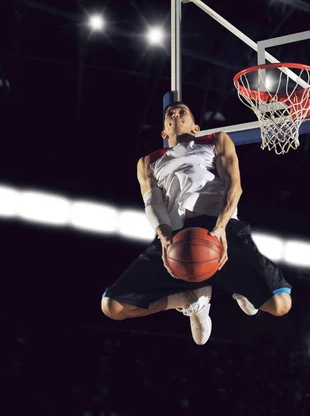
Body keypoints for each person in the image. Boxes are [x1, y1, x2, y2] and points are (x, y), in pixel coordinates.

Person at [101, 101, 292, 345]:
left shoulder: (215, 141)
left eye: (183, 112)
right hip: (176, 237)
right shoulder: (147, 162)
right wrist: (164, 237)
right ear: (164, 132)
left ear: (195, 127)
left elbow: (235, 185)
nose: (176, 114)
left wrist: (222, 226)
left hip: (220, 230)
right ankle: (187, 300)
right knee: (113, 306)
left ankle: (237, 287)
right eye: (171, 113)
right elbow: (153, 204)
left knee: (281, 304)